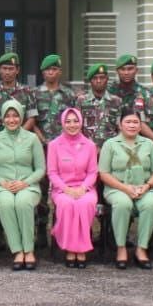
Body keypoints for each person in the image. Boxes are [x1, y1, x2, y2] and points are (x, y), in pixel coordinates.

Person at [98, 109, 153, 270]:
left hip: (143, 187)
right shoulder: (110, 144)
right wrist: (124, 188)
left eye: (135, 122)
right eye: (128, 122)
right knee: (122, 204)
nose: (132, 125)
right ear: (120, 125)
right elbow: (104, 173)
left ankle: (141, 249)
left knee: (151, 204)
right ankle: (121, 248)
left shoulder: (149, 144)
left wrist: (147, 186)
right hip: (117, 188)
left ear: (141, 126)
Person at [0, 99, 45, 270]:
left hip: (28, 186)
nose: (12, 120)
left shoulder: (32, 138)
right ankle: (17, 250)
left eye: (15, 116)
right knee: (6, 204)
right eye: (8, 116)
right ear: (2, 119)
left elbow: (41, 169)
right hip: (2, 186)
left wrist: (25, 182)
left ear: (21, 117)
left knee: (22, 202)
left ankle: (29, 250)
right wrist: (1, 182)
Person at [47, 106, 99, 268]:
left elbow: (92, 173)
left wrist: (83, 188)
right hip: (62, 189)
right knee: (67, 204)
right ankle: (70, 249)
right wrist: (66, 189)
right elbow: (52, 173)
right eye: (68, 121)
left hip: (86, 188)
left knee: (84, 204)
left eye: (76, 121)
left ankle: (81, 249)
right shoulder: (54, 145)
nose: (72, 124)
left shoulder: (90, 145)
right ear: (62, 123)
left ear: (81, 122)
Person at [0, 52, 38, 134]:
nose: (7, 72)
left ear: (17, 70)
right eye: (4, 68)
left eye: (11, 69)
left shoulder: (28, 91)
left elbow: (31, 119)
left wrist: (19, 136)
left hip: (21, 140)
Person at [33, 54, 77, 145]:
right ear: (43, 72)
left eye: (54, 69)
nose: (50, 72)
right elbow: (32, 122)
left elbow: (75, 120)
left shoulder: (69, 94)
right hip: (40, 145)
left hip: (64, 144)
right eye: (47, 69)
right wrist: (43, 140)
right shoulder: (34, 94)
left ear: (60, 72)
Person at [77, 63, 122, 149]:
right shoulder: (81, 101)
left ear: (107, 79)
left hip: (110, 149)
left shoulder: (116, 101)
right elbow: (78, 127)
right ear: (90, 81)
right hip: (87, 149)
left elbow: (119, 127)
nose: (98, 81)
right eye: (95, 78)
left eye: (102, 78)